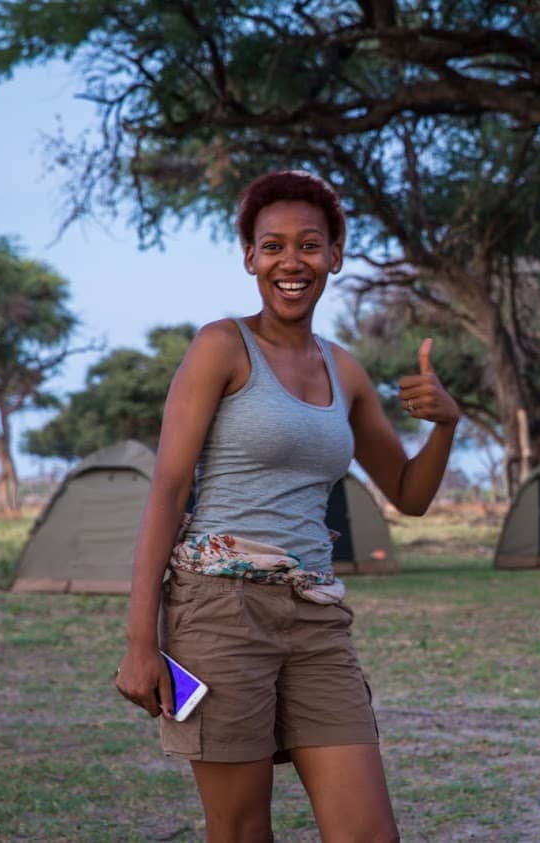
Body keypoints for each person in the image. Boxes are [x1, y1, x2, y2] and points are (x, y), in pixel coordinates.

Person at [114, 170, 459, 842]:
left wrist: (446, 424)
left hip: (316, 615)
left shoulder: (345, 369)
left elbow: (410, 494)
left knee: (368, 833)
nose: (291, 262)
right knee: (243, 830)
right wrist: (139, 641)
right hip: (217, 613)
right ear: (250, 258)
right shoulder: (221, 346)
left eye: (309, 244)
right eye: (272, 246)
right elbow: (169, 489)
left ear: (335, 254)